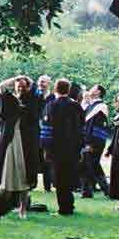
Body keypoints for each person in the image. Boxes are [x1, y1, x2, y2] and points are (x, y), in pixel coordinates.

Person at [0, 75, 42, 219]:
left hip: (26, 143)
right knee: (7, 175)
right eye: (18, 86)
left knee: (25, 176)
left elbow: (33, 115)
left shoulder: (33, 100)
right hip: (10, 140)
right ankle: (0, 208)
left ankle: (23, 209)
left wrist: (26, 83)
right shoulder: (9, 99)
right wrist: (16, 78)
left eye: (23, 86)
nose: (20, 88)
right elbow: (1, 86)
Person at [40, 78, 83, 216]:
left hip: (56, 148)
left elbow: (47, 129)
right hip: (73, 148)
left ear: (55, 89)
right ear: (69, 90)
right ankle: (69, 204)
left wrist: (45, 149)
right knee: (69, 176)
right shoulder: (76, 106)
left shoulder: (51, 105)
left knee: (59, 179)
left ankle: (64, 209)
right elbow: (82, 128)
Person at [80, 84, 110, 198]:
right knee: (86, 165)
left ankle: (106, 190)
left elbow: (99, 127)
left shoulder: (101, 106)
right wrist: (84, 100)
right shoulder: (90, 105)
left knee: (93, 164)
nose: (90, 89)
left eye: (93, 88)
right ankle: (87, 191)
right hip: (85, 140)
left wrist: (91, 143)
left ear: (98, 92)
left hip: (93, 141)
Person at [37, 75, 55, 192]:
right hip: (34, 131)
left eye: (43, 82)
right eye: (39, 82)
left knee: (47, 158)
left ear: (48, 83)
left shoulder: (53, 98)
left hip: (48, 133)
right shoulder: (35, 96)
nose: (40, 84)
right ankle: (31, 183)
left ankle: (48, 185)